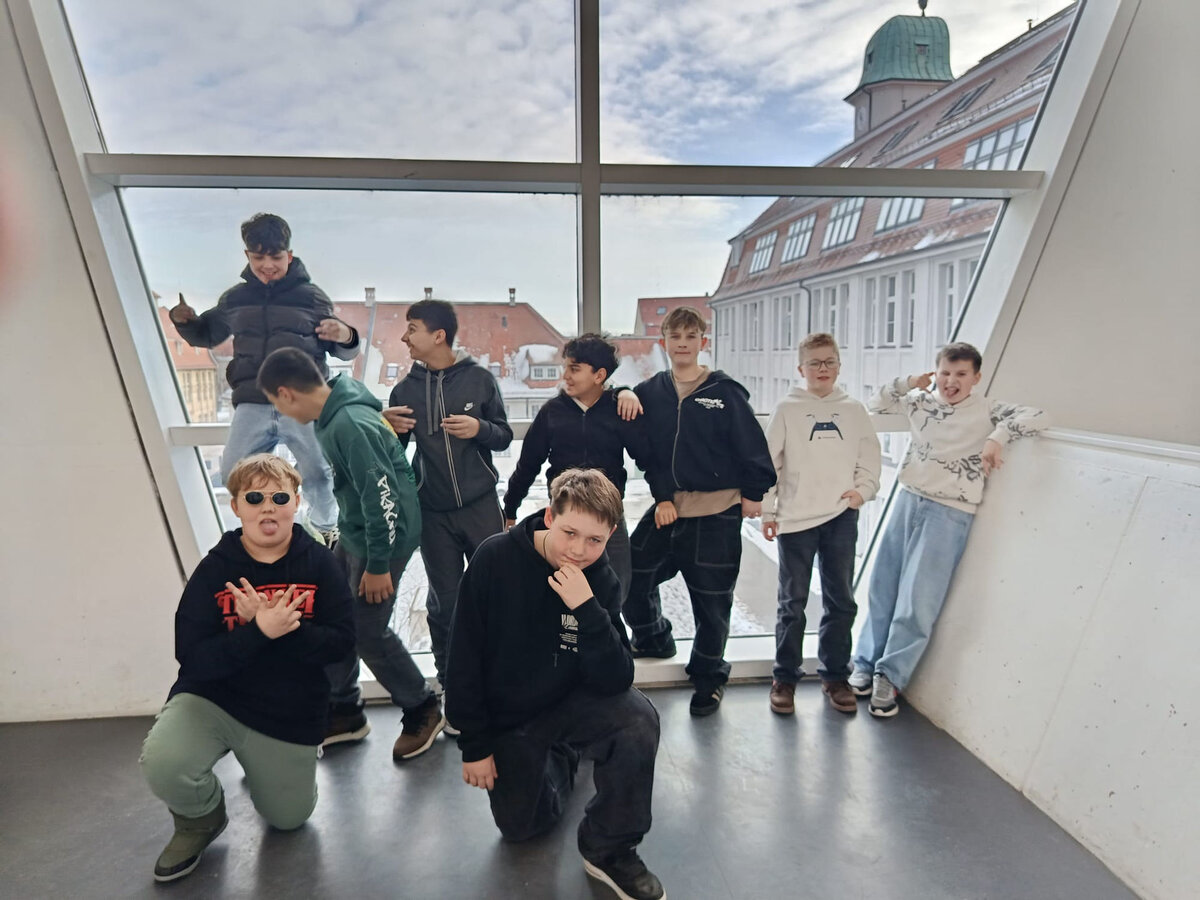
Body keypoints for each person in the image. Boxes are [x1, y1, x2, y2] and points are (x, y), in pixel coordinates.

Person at [447, 469, 665, 900]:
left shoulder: (598, 577)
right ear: (549, 516)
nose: (579, 550)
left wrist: (586, 608)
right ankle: (564, 757)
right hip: (511, 717)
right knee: (522, 828)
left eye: (594, 540)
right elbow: (463, 658)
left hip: (569, 703)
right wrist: (475, 745)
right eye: (570, 533)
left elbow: (617, 677)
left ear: (610, 536)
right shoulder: (494, 559)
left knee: (637, 719)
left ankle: (609, 847)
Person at [139, 454, 355, 883]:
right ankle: (200, 820)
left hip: (287, 711)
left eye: (279, 497)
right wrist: (256, 632)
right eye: (255, 498)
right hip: (214, 700)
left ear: (296, 502)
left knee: (289, 818)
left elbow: (342, 645)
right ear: (236, 506)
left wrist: (280, 630)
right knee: (164, 762)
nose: (267, 507)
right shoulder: (215, 569)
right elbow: (192, 657)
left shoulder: (320, 564)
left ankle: (275, 769)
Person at [257, 347, 442, 759]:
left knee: (367, 631)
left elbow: (382, 499)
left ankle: (423, 707)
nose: (279, 413)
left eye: (275, 403)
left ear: (286, 393)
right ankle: (344, 710)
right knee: (330, 615)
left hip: (385, 539)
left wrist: (378, 565)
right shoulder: (335, 410)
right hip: (358, 532)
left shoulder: (348, 424)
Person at [851, 341, 1049, 717]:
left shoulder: (988, 409)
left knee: (918, 601)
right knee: (882, 587)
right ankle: (864, 663)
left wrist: (997, 436)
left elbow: (1039, 416)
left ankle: (889, 676)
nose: (950, 381)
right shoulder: (920, 402)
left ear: (976, 377)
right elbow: (876, 404)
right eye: (945, 372)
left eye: (960, 374)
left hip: (950, 511)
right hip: (908, 499)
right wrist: (910, 381)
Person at [622, 306, 776, 717]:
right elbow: (650, 454)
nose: (683, 344)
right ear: (664, 342)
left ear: (703, 342)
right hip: (669, 508)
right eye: (675, 337)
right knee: (631, 574)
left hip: (718, 512)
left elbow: (751, 444)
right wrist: (623, 393)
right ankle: (653, 637)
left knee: (712, 602)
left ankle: (708, 678)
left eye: (691, 337)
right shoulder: (651, 391)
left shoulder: (724, 392)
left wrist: (755, 492)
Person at [168, 213, 358, 541]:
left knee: (318, 472)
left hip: (300, 402)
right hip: (253, 400)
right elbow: (207, 334)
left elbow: (343, 349)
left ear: (289, 256)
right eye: (259, 258)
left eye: (275, 257)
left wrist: (345, 335)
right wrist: (185, 321)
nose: (267, 265)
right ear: (247, 256)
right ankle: (259, 534)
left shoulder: (312, 297)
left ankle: (326, 530)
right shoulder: (236, 299)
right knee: (233, 472)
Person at [383, 299, 512, 694]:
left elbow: (504, 436)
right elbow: (394, 455)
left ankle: (504, 679)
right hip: (433, 514)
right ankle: (453, 684)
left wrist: (479, 428)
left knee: (499, 594)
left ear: (438, 335)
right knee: (446, 604)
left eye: (412, 329)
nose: (404, 337)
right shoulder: (404, 390)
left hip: (481, 507)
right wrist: (388, 429)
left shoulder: (480, 380)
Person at [760, 333, 881, 716]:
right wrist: (768, 512)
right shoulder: (787, 409)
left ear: (839, 366)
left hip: (841, 517)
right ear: (802, 368)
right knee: (792, 604)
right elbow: (769, 464)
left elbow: (870, 457)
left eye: (829, 362)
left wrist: (862, 492)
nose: (822, 369)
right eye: (815, 363)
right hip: (795, 520)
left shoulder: (854, 410)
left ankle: (835, 677)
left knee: (840, 601)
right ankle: (784, 678)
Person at [502, 333, 647, 602]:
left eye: (575, 369)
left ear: (599, 375)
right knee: (557, 592)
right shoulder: (552, 412)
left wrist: (666, 498)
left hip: (608, 518)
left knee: (616, 591)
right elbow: (528, 465)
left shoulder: (618, 409)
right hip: (563, 516)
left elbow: (647, 458)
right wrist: (510, 509)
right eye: (566, 367)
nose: (565, 376)